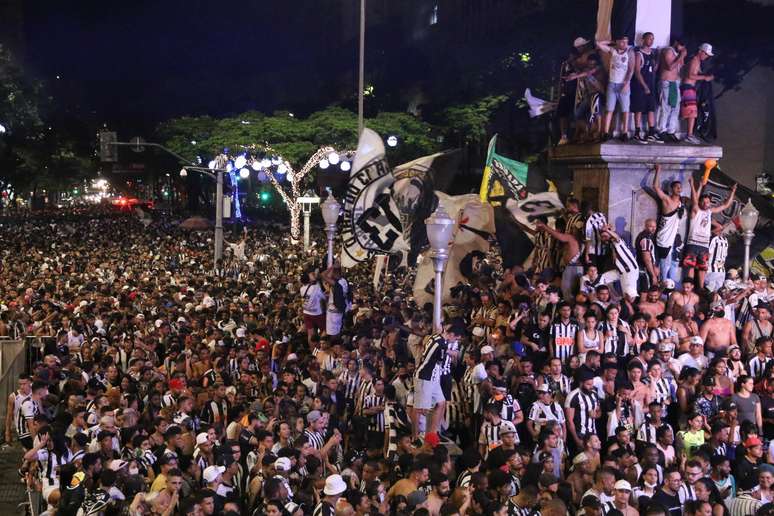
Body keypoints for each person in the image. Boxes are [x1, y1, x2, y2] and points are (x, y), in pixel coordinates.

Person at [683, 176, 736, 288]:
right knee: (691, 267)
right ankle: (689, 287)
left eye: (708, 202)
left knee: (702, 268)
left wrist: (733, 192)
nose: (707, 204)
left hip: (704, 245)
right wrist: (696, 185)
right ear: (701, 202)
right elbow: (694, 200)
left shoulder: (709, 212)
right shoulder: (696, 211)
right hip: (693, 243)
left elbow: (726, 205)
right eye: (705, 202)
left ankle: (701, 289)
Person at [652, 165, 686, 287]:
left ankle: (669, 284)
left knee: (672, 263)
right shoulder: (666, 199)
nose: (679, 189)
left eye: (680, 187)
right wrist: (658, 171)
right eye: (677, 187)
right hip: (664, 236)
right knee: (664, 263)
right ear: (672, 189)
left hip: (673, 237)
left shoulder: (681, 203)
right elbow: (655, 187)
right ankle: (662, 284)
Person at [597, 35, 635, 141]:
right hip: (612, 83)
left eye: (626, 42)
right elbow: (598, 44)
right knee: (609, 109)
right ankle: (605, 132)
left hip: (623, 83)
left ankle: (625, 132)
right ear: (618, 42)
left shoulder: (630, 52)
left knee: (625, 109)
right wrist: (611, 41)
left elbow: (631, 69)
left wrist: (627, 83)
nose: (624, 44)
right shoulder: (613, 50)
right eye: (622, 42)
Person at [682, 44, 715, 144]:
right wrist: (705, 78)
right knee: (692, 112)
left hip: (690, 88)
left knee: (692, 112)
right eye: (706, 54)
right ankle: (689, 135)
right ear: (700, 51)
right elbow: (690, 75)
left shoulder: (696, 61)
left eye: (707, 55)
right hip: (688, 87)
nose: (706, 56)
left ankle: (690, 134)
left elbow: (694, 72)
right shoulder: (695, 60)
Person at [631, 32, 661, 144]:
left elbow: (654, 69)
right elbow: (637, 72)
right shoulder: (639, 54)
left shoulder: (652, 54)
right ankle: (637, 133)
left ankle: (651, 132)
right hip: (640, 85)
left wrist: (658, 56)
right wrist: (644, 86)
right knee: (638, 108)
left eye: (653, 39)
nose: (651, 41)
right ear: (643, 39)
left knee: (651, 108)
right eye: (649, 39)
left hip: (651, 85)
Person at [656, 37, 688, 142]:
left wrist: (682, 57)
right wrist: (681, 55)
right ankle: (662, 131)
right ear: (675, 42)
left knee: (675, 108)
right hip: (666, 82)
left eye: (683, 46)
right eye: (681, 45)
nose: (682, 47)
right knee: (666, 108)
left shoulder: (678, 53)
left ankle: (671, 131)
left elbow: (681, 66)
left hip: (675, 83)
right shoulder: (668, 51)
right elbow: (670, 67)